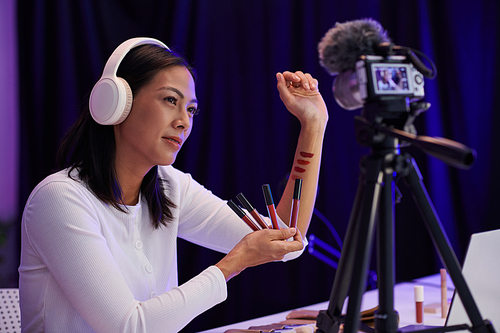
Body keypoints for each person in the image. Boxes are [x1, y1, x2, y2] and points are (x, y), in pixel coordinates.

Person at [18, 37, 329, 332]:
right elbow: (129, 327)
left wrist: (313, 125)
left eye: (191, 110)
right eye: (170, 100)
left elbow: (285, 238)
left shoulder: (169, 186)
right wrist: (235, 262)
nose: (184, 121)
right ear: (117, 102)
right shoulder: (59, 199)